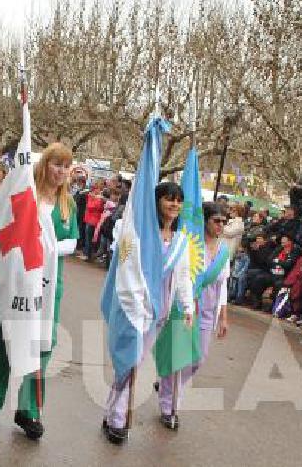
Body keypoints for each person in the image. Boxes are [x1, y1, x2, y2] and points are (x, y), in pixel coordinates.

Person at [0, 143, 79, 440]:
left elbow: (72, 241)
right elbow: (2, 230)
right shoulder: (24, 195)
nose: (61, 172)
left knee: (42, 345)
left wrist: (46, 248)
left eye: (66, 166)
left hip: (48, 285)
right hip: (15, 282)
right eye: (56, 164)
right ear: (45, 164)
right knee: (4, 339)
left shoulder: (67, 204)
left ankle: (28, 410)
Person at [102, 181, 194, 444]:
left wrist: (187, 306)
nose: (174, 204)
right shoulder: (142, 234)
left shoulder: (181, 240)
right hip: (136, 310)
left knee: (133, 364)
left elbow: (184, 276)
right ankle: (117, 419)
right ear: (157, 202)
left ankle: (112, 412)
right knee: (130, 362)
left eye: (178, 200)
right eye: (169, 199)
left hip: (160, 314)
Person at [155, 204, 242, 428]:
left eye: (224, 221)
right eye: (217, 221)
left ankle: (168, 384)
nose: (221, 226)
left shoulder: (224, 252)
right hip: (186, 309)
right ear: (205, 221)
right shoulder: (192, 246)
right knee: (179, 357)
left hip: (207, 313)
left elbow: (222, 286)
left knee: (197, 360)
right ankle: (169, 406)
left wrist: (223, 317)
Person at [80, 180, 106, 260]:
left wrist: (91, 198)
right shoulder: (95, 197)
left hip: (93, 220)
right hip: (90, 219)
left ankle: (87, 255)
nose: (94, 190)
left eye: (95, 188)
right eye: (93, 188)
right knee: (89, 238)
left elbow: (91, 207)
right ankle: (87, 253)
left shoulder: (99, 198)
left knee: (89, 238)